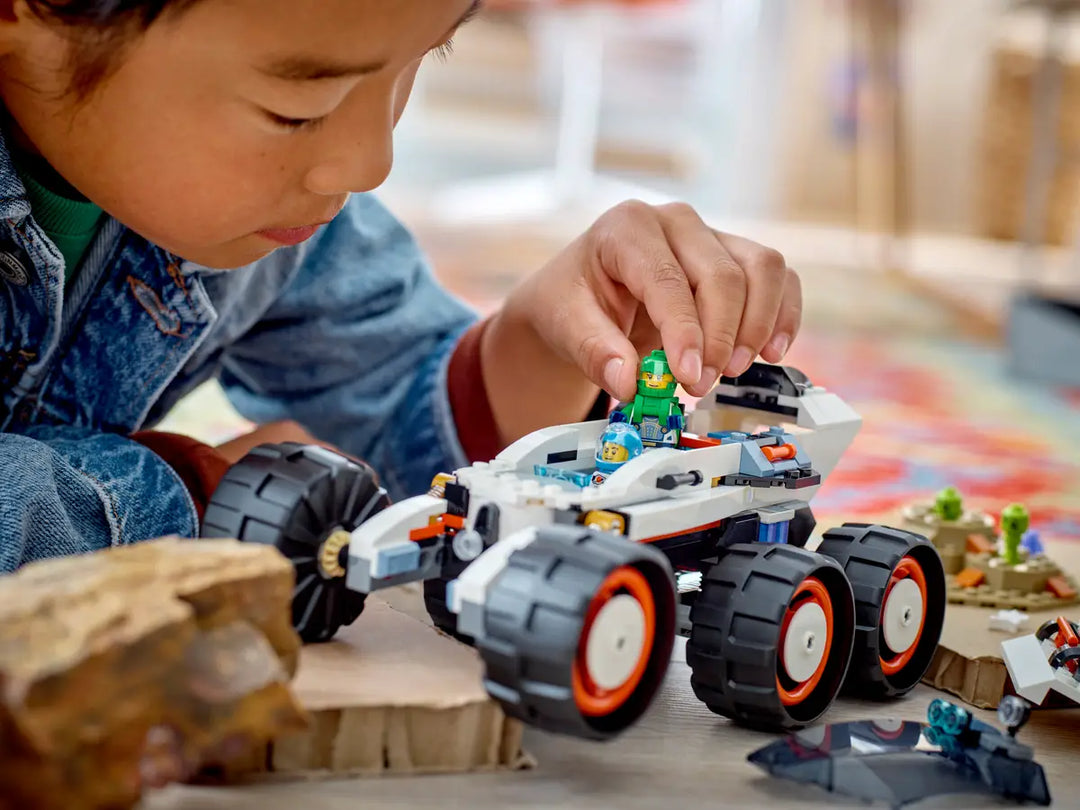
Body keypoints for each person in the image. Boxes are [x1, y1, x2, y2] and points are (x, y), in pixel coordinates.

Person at [0, 0, 803, 573]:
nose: (369, 164)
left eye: (427, 55)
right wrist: (189, 498)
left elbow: (415, 423)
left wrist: (547, 332)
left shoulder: (278, 225)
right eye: (297, 107)